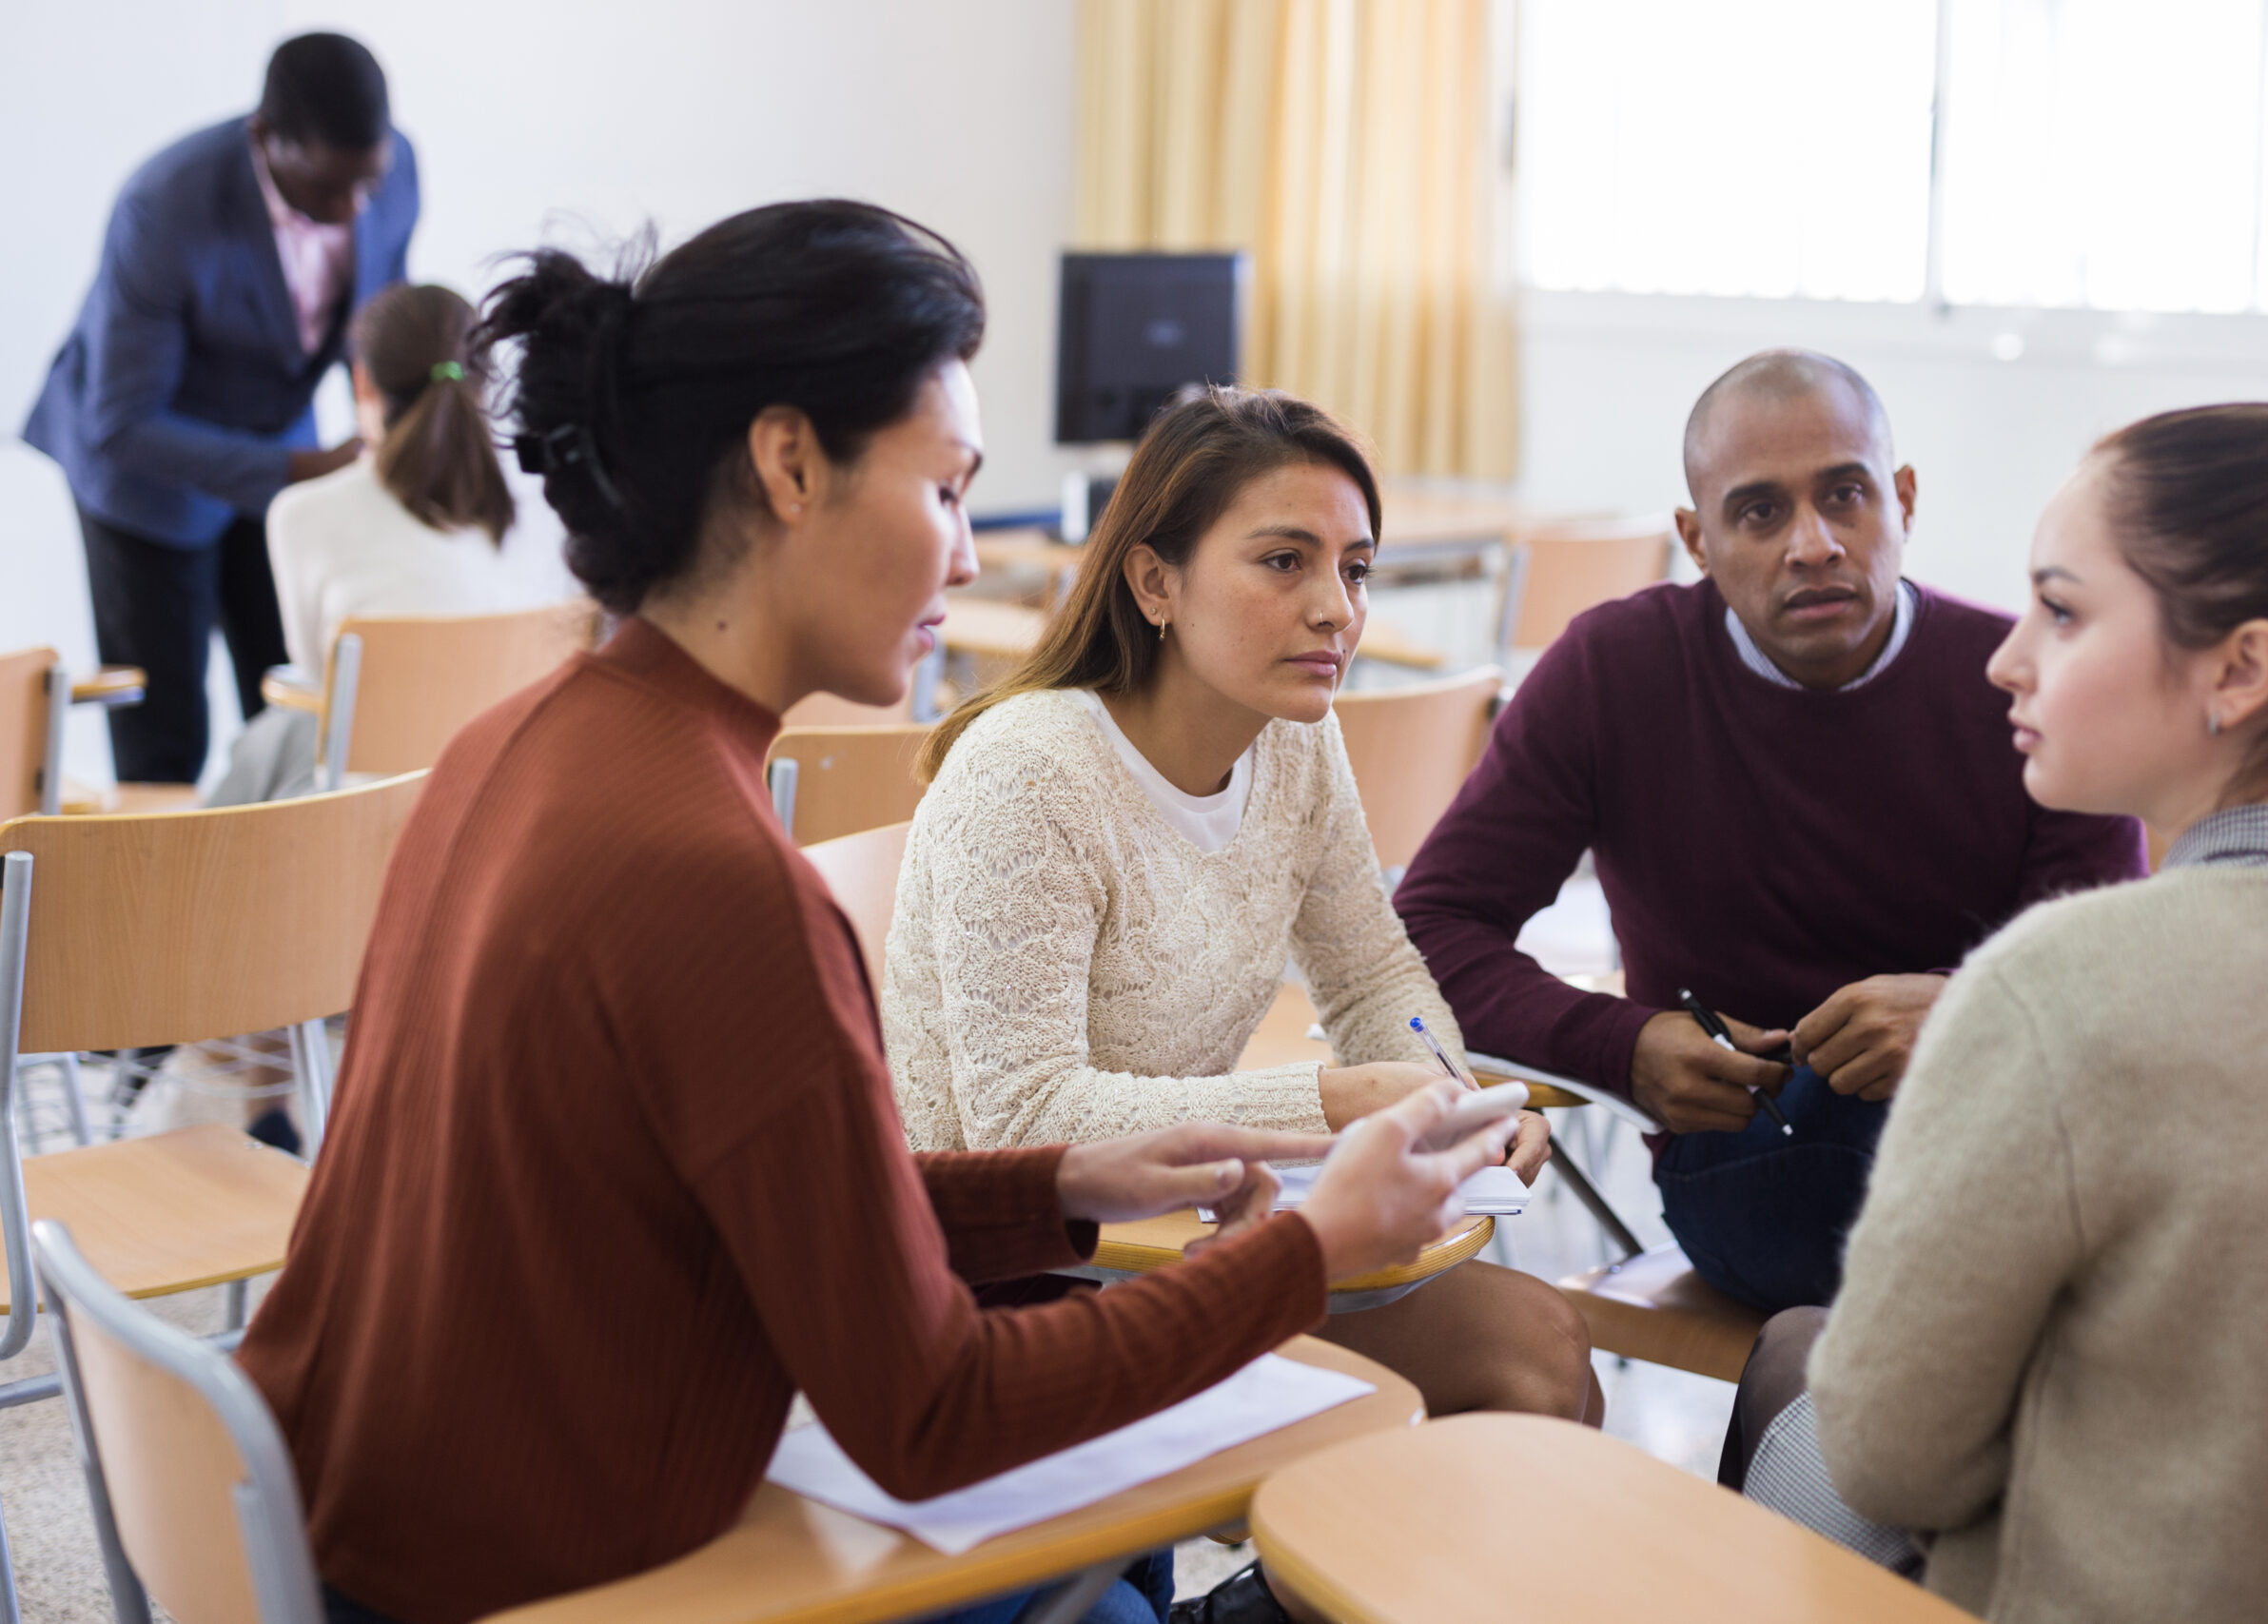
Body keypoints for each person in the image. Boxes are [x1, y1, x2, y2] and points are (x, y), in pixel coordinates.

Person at [234, 203, 1513, 1624]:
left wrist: (1057, 1186)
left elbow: (729, 1198)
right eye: (951, 487)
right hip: (546, 1576)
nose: (969, 556)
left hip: (354, 1533)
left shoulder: (520, 743)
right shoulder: (718, 876)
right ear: (790, 464)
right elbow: (930, 1410)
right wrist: (1308, 1246)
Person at [1720, 403, 2268, 1623]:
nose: (2007, 657)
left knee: (1806, 1421)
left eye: (2060, 610)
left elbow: (1893, 1458)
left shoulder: (2064, 983)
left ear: (2242, 669)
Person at [1394, 349, 2146, 1314]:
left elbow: (2115, 984)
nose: (1814, 543)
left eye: (1845, 496)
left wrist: (1970, 1016)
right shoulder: (1613, 671)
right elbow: (1430, 929)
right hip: (1750, 1168)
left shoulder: (2020, 681)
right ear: (1695, 539)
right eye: (1758, 513)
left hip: (2002, 1129)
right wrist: (1620, 1046)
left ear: (1902, 500)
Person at [883, 392, 1598, 1396]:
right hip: (1013, 1281)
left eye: (1355, 571)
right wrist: (1338, 1102)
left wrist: (1447, 1099)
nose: (1335, 610)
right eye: (1283, 562)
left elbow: (1371, 976)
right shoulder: (1030, 771)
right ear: (1154, 582)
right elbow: (1020, 1123)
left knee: (1542, 1346)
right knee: (1517, 1368)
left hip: (1189, 1222)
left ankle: (1325, 1557)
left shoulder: (1297, 737)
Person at [21, 32, 419, 786]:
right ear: (264, 139)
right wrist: (302, 466)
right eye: (331, 189)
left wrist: (394, 418)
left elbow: (377, 318)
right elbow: (124, 419)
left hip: (278, 443)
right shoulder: (162, 208)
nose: (352, 209)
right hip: (144, 474)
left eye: (366, 184)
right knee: (168, 739)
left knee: (294, 709)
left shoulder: (392, 170)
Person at [204, 282, 530, 812]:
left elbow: (315, 681)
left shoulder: (303, 514)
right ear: (485, 384)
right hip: (503, 815)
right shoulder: (542, 514)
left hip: (366, 823)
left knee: (271, 741)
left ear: (362, 384)